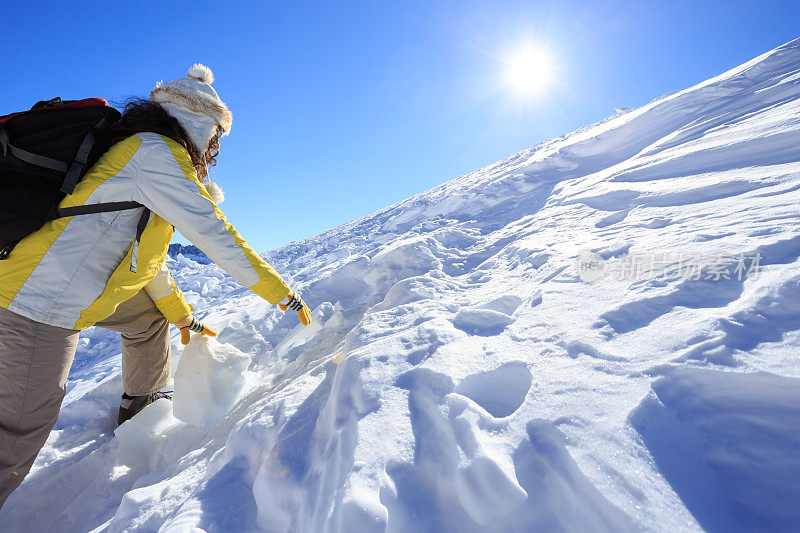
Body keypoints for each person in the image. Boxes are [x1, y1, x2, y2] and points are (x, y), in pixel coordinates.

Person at [0, 64, 312, 508]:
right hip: (36, 302)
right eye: (217, 137)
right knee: (15, 439)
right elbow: (214, 231)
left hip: (61, 287)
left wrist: (183, 316)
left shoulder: (138, 155)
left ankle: (142, 410)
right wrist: (281, 292)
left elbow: (148, 266)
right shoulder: (154, 154)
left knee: (148, 319)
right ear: (201, 124)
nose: (216, 148)